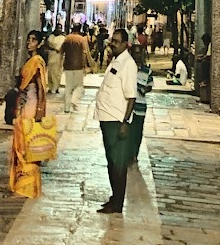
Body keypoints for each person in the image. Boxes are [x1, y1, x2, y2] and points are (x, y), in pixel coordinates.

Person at [94, 27, 137, 215]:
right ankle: (114, 197)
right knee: (111, 161)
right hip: (106, 117)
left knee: (118, 163)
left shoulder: (128, 64)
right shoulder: (116, 60)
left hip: (116, 120)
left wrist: (125, 122)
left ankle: (118, 203)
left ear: (126, 44)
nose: (113, 44)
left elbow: (131, 96)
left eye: (117, 42)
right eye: (112, 40)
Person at [8, 31, 49, 199]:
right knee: (20, 144)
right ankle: (21, 183)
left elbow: (41, 88)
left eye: (33, 40)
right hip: (23, 104)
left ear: (39, 43)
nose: (29, 43)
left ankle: (28, 185)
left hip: (32, 105)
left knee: (28, 145)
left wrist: (40, 111)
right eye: (28, 40)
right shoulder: (29, 61)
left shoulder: (37, 62)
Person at [129, 52, 154, 168]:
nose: (137, 56)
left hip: (140, 105)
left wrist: (144, 89)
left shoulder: (146, 70)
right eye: (135, 53)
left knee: (138, 130)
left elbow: (150, 85)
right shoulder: (127, 68)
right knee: (128, 130)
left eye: (139, 53)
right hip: (127, 106)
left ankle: (135, 154)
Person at [61, 22, 89, 111]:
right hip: (78, 65)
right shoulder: (81, 39)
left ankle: (67, 108)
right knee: (79, 85)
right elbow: (84, 53)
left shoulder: (67, 38)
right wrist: (85, 65)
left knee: (68, 87)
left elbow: (62, 51)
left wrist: (62, 63)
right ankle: (74, 99)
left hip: (68, 65)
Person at [44, 25, 66, 102]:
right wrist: (53, 48)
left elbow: (62, 47)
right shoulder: (51, 37)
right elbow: (48, 45)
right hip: (51, 56)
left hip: (58, 57)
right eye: (57, 28)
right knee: (50, 73)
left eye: (60, 28)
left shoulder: (63, 38)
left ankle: (56, 88)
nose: (58, 29)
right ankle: (51, 87)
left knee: (57, 73)